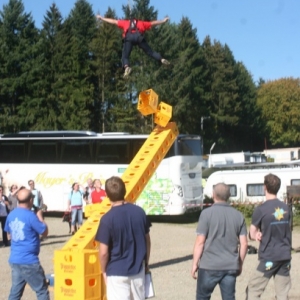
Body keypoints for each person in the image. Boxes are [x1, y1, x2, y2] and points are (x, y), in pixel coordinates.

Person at [95, 176, 151, 300]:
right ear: (124, 190)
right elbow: (147, 241)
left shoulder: (107, 219)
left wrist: (103, 270)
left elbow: (103, 252)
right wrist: (146, 263)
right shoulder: (140, 212)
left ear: (107, 195)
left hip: (116, 271)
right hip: (138, 269)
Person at [191, 183, 248, 300]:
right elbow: (244, 244)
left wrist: (195, 263)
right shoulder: (238, 215)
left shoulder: (206, 214)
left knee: (202, 297)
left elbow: (200, 242)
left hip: (209, 265)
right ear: (229, 196)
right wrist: (240, 263)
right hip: (230, 265)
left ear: (213, 195)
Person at [245, 173, 292, 299]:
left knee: (253, 290)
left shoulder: (261, 209)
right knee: (282, 294)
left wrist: (256, 235)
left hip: (269, 256)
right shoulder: (286, 208)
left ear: (264, 187)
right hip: (285, 256)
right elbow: (288, 229)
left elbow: (252, 233)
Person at [4, 188, 49, 300]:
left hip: (15, 258)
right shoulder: (31, 216)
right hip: (29, 261)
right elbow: (44, 232)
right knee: (42, 290)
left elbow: (9, 234)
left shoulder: (11, 215)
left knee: (15, 293)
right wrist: (40, 215)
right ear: (31, 200)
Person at [96, 14, 170, 77]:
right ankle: (161, 59)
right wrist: (163, 21)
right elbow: (153, 23)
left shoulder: (125, 23)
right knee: (150, 52)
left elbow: (114, 21)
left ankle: (127, 67)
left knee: (125, 55)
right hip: (139, 38)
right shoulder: (141, 23)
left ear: (130, 20)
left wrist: (102, 18)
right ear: (136, 20)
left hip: (129, 38)